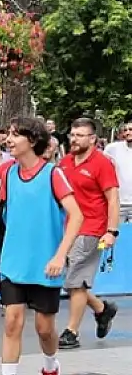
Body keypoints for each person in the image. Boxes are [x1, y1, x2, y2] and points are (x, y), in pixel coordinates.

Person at [0, 117, 83, 375]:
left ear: (33, 140)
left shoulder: (53, 175)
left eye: (16, 135)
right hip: (13, 262)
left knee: (44, 329)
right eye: (9, 135)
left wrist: (59, 256)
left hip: (45, 265)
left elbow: (76, 217)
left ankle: (50, 368)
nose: (9, 139)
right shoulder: (9, 175)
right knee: (12, 321)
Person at [57, 117, 120, 348]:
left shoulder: (102, 163)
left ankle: (71, 331)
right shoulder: (64, 163)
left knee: (77, 281)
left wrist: (112, 231)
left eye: (80, 135)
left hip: (93, 229)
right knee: (71, 281)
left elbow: (112, 199)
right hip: (69, 229)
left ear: (92, 139)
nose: (74, 139)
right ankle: (102, 309)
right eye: (72, 135)